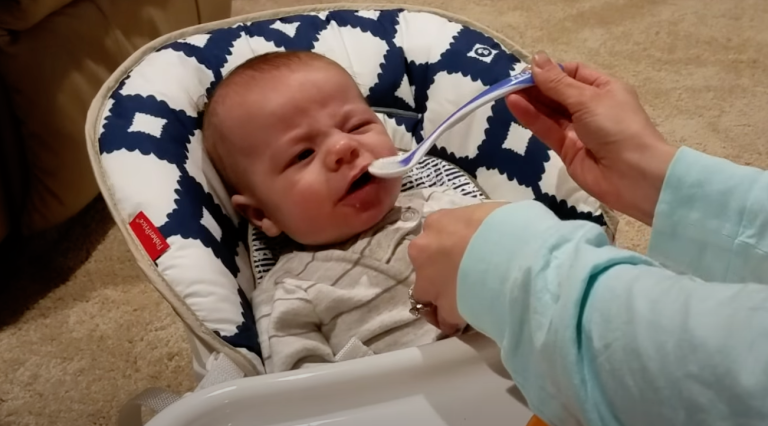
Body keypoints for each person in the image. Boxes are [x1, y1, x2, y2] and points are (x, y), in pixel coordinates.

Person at [409, 51, 768, 426]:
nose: (343, 147)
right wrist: (658, 178)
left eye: (358, 125)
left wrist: (505, 270)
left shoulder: (444, 196)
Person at [202, 51, 483, 373]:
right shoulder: (291, 292)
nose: (343, 147)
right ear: (261, 213)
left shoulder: (445, 203)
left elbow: (531, 250)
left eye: (356, 125)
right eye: (303, 154)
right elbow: (303, 401)